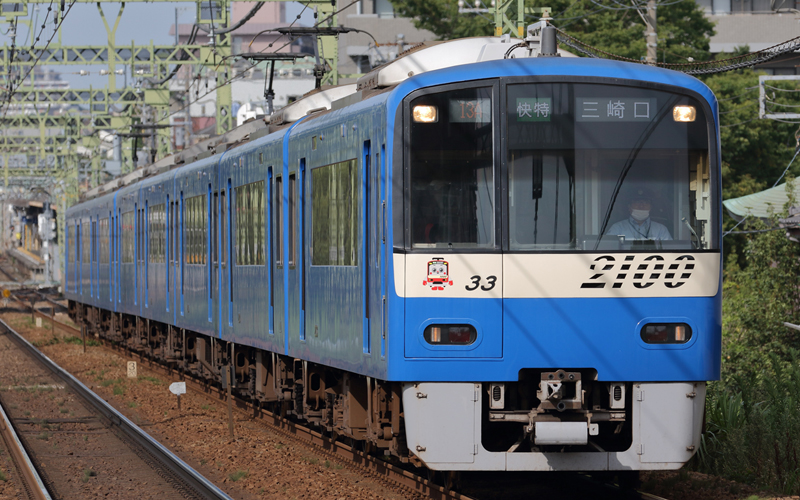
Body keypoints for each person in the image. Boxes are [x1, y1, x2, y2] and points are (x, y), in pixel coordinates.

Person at [607, 191, 672, 241]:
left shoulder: (661, 230)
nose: (641, 206)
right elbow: (608, 249)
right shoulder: (617, 229)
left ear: (651, 208)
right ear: (629, 207)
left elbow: (669, 252)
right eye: (637, 202)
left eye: (645, 202)